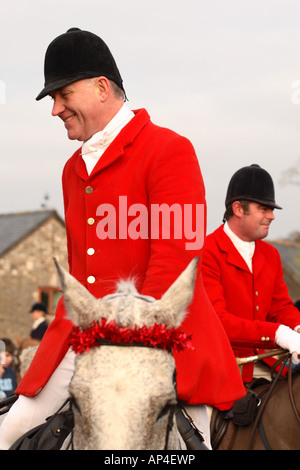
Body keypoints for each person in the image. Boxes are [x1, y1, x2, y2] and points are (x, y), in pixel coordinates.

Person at [0, 28, 245, 449]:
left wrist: (125, 349)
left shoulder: (169, 150)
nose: (55, 109)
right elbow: (81, 272)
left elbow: (175, 264)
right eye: (52, 99)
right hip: (83, 340)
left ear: (100, 87)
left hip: (163, 340)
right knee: (10, 429)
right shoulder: (71, 171)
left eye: (62, 94)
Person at [202, 163, 300, 383]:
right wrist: (279, 334)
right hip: (222, 366)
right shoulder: (207, 252)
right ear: (238, 209)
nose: (272, 216)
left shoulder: (271, 254)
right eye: (264, 209)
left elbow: (281, 307)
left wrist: (297, 327)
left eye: (271, 209)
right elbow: (219, 323)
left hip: (268, 362)